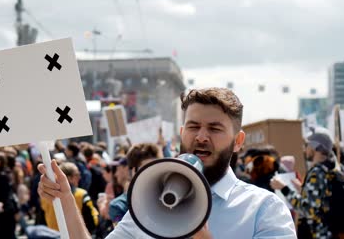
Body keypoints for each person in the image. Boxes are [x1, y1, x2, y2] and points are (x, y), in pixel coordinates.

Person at [38, 88, 296, 238]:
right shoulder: (149, 201)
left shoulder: (264, 209)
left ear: (238, 141)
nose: (201, 136)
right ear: (182, 132)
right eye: (193, 126)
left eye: (215, 128)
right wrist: (66, 202)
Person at [40, 162, 99, 234]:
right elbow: (92, 222)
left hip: (53, 235)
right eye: (77, 175)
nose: (80, 177)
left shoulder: (46, 196)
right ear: (67, 178)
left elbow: (41, 221)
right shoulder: (81, 194)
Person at [0, 152, 18, 239]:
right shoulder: (4, 173)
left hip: (4, 211)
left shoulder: (0, 175)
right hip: (7, 210)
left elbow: (3, 195)